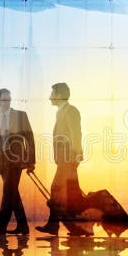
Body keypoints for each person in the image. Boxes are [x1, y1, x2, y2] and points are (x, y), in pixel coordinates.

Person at [36, 83, 89, 237]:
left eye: (52, 93)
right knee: (73, 193)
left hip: (68, 157)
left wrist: (76, 155)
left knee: (56, 189)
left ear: (59, 95)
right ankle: (78, 227)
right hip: (63, 158)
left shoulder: (70, 111)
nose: (50, 97)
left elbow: (76, 133)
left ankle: (54, 226)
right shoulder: (61, 112)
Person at [0, 88, 36, 235]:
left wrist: (31, 161)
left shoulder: (20, 116)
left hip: (16, 160)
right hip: (1, 162)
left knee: (8, 191)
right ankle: (23, 226)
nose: (7, 101)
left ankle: (0, 225)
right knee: (12, 193)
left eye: (9, 98)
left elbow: (30, 139)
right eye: (4, 99)